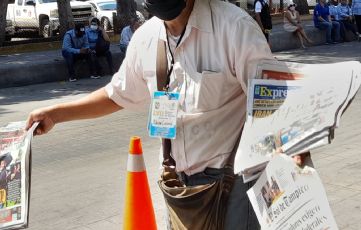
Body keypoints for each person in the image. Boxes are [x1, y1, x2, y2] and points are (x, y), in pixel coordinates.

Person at [26, 0, 274, 229]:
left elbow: (275, 102)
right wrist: (56, 114)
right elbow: (117, 94)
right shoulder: (146, 37)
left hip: (233, 183)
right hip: (177, 185)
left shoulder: (234, 28)